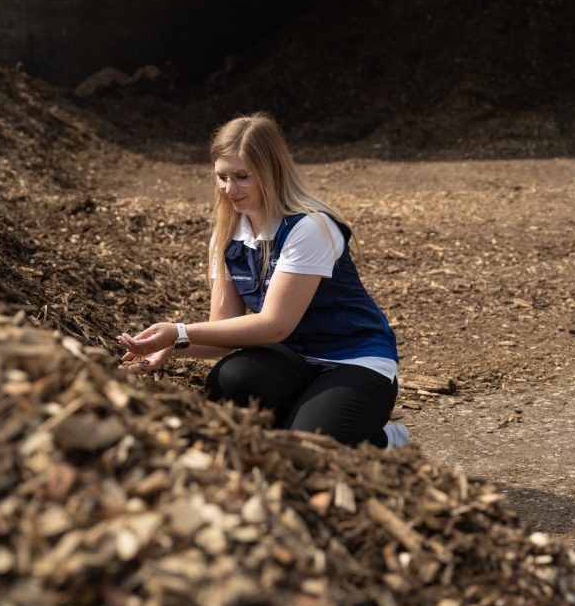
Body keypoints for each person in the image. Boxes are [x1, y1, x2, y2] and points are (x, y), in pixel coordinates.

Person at [117, 112, 409, 449]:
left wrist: (181, 331)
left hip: (352, 360)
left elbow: (275, 325)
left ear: (272, 172)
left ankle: (382, 441)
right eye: (221, 177)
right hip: (291, 361)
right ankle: (315, 421)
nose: (230, 189)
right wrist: (168, 346)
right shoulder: (227, 235)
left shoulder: (309, 227)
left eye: (242, 177)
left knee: (304, 451)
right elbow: (221, 333)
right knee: (230, 382)